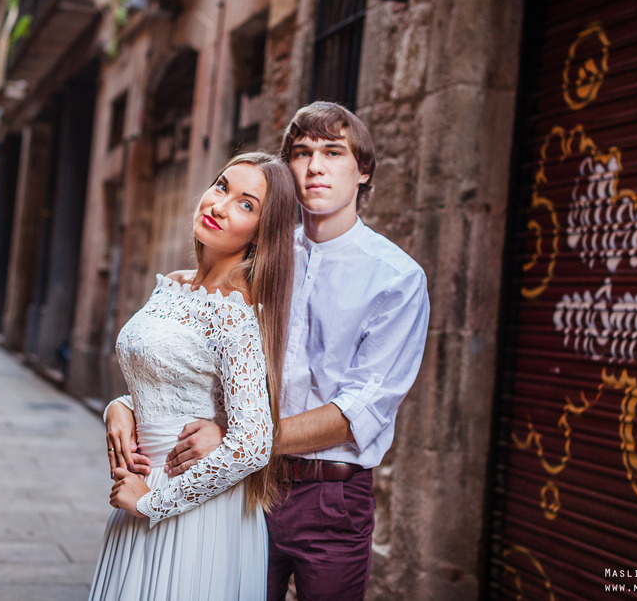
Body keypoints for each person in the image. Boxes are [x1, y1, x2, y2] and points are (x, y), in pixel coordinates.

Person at [163, 101, 430, 600]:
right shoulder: (257, 257)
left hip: (331, 497)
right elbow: (191, 355)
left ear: (363, 171)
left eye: (333, 152)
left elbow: (359, 412)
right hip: (242, 487)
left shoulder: (395, 278)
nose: (314, 166)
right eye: (302, 153)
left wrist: (237, 438)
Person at [89, 151, 298, 601]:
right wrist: (120, 406)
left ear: (263, 232)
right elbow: (165, 375)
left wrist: (152, 503)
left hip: (191, 504)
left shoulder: (237, 309)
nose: (220, 205)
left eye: (246, 204)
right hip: (141, 487)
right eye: (222, 186)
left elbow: (252, 443)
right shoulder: (175, 284)